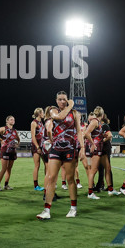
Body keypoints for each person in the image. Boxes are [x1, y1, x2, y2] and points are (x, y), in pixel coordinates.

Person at [36, 91, 83, 220]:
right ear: (56, 101)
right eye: (60, 99)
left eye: (64, 99)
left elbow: (79, 131)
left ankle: (73, 208)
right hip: (56, 149)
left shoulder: (74, 114)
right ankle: (46, 210)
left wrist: (82, 148)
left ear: (67, 99)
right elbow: (60, 117)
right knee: (51, 178)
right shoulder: (52, 110)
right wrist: (70, 105)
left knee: (70, 179)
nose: (62, 101)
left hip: (70, 149)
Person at [0, 116, 20, 191]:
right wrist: (1, 140)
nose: (13, 120)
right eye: (11, 119)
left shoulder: (15, 130)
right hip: (5, 150)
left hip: (12, 151)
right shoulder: (3, 128)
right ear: (7, 121)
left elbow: (18, 139)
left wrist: (17, 144)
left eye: (14, 119)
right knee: (4, 168)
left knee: (9, 169)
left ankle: (6, 185)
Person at [30, 107, 48, 191]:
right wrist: (37, 147)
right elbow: (33, 137)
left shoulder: (41, 122)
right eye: (42, 112)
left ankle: (47, 182)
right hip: (36, 146)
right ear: (39, 114)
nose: (44, 114)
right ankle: (36, 185)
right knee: (37, 165)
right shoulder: (34, 123)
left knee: (47, 164)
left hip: (43, 146)